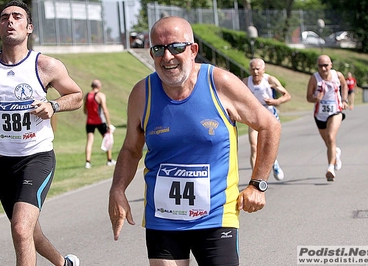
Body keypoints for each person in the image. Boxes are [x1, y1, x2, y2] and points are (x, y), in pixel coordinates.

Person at [108, 16, 281, 266]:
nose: (167, 57)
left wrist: (258, 185)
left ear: (193, 50)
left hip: (216, 217)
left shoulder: (219, 83)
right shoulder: (142, 93)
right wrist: (117, 189)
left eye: (176, 47)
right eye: (158, 49)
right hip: (163, 218)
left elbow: (270, 125)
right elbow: (131, 149)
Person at [0, 1, 82, 265]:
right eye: (4, 18)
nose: (10, 21)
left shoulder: (45, 65)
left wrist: (53, 105)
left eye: (17, 16)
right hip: (1, 162)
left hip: (36, 158)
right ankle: (64, 263)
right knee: (29, 232)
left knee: (20, 229)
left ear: (29, 27)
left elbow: (77, 95)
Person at [242, 58, 291, 180]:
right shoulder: (246, 82)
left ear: (263, 69)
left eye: (258, 69)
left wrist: (275, 101)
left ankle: (274, 163)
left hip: (270, 116)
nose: (255, 72)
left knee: (269, 144)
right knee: (254, 146)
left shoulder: (269, 80)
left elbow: (287, 96)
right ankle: (256, 179)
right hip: (254, 117)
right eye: (253, 69)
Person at [306, 55, 348, 181]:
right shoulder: (314, 78)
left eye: (326, 65)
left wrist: (344, 100)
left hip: (335, 111)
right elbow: (308, 97)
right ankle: (336, 154)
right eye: (320, 66)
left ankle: (330, 168)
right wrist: (315, 98)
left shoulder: (337, 75)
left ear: (331, 65)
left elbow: (345, 86)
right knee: (328, 143)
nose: (323, 68)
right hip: (320, 114)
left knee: (331, 137)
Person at [83, 79, 116, 169]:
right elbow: (105, 110)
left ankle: (87, 162)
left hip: (89, 122)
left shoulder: (87, 95)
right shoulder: (101, 95)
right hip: (100, 121)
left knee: (89, 141)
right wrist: (109, 124)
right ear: (99, 86)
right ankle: (109, 160)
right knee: (107, 139)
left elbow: (85, 110)